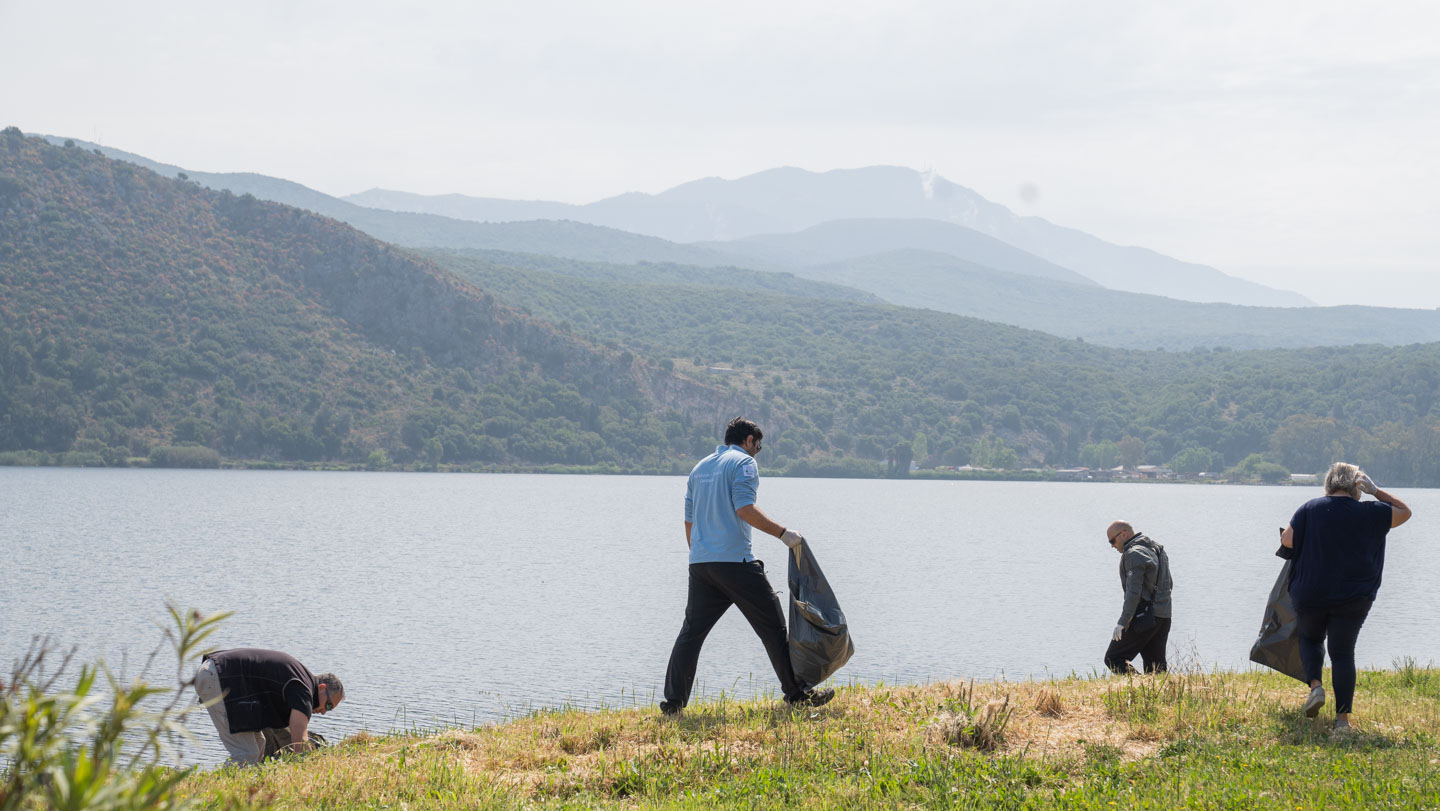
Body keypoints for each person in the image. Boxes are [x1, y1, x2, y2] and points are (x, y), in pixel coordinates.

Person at [660, 417, 836, 716]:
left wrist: (702, 554)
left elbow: (689, 520)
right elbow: (745, 508)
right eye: (759, 444)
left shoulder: (699, 467)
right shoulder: (743, 463)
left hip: (702, 564)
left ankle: (673, 704)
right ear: (749, 440)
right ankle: (797, 694)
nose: (759, 450)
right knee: (774, 627)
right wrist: (783, 533)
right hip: (736, 563)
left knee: (691, 633)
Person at [1282, 462, 1411, 731]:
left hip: (1310, 592)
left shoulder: (1309, 509)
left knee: (1310, 637)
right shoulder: (1372, 512)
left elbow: (1288, 542)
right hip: (1355, 596)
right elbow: (1405, 512)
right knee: (1342, 653)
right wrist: (1378, 492)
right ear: (1358, 487)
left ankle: (1316, 687)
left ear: (1329, 483)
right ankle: (1342, 721)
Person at [193, 647, 344, 764]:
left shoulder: (301, 679)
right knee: (246, 754)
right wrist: (306, 770)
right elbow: (300, 736)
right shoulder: (303, 690)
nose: (324, 711)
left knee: (259, 745)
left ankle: (242, 794)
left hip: (217, 674)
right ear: (322, 688)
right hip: (217, 676)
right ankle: (218, 797)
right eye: (329, 705)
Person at [1102, 521, 1173, 674]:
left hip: (1145, 617)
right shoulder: (1158, 549)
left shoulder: (1133, 554)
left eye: (1112, 541)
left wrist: (1123, 622)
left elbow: (1133, 593)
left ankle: (1140, 688)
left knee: (1113, 658)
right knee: (1156, 669)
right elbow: (1170, 584)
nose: (1112, 546)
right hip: (1164, 616)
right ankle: (1156, 694)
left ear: (1123, 534)